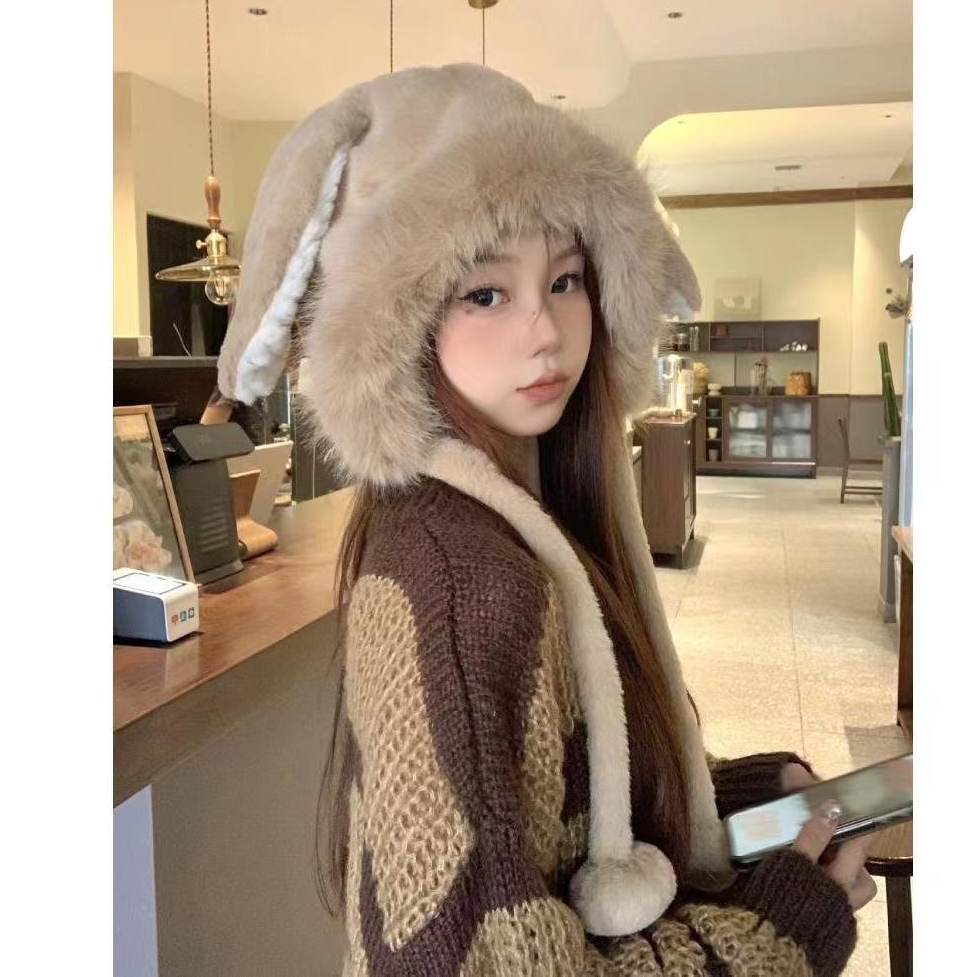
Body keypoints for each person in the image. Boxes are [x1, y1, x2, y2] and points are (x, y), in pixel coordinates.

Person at [216, 64, 874, 976]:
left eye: (566, 280)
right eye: (485, 293)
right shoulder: (460, 584)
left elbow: (559, 808)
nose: (546, 331)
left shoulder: (535, 522)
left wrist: (727, 800)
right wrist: (783, 932)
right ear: (396, 326)